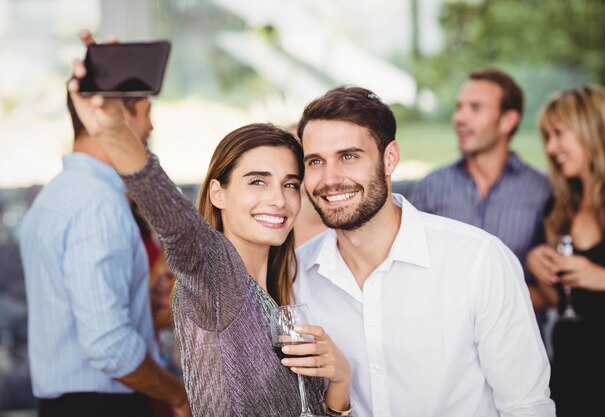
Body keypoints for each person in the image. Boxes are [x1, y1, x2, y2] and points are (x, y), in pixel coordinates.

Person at [67, 33, 352, 417]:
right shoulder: (217, 274)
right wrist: (114, 132)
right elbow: (173, 220)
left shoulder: (282, 290)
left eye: (290, 184)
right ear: (218, 193)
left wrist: (340, 381)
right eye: (257, 181)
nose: (278, 199)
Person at [294, 86, 555, 416]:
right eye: (315, 161)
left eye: (349, 156)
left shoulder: (478, 260)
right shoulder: (296, 276)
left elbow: (526, 407)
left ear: (390, 158)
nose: (330, 179)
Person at [19, 91, 191, 417]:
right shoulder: (98, 202)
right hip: (104, 405)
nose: (150, 125)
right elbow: (109, 347)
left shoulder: (56, 194)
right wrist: (177, 395)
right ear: (115, 114)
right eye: (144, 111)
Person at [406, 68, 551, 309]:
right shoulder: (432, 187)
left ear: (507, 121)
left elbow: (552, 295)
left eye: (475, 108)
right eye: (459, 107)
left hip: (516, 337)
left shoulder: (541, 191)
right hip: (444, 337)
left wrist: (488, 297)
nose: (460, 118)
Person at [526, 84, 605, 417]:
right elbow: (556, 298)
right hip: (571, 368)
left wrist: (603, 278)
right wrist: (535, 262)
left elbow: (594, 281)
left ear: (593, 129)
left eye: (558, 134)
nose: (551, 148)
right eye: (547, 138)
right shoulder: (560, 205)